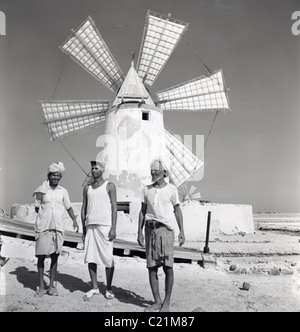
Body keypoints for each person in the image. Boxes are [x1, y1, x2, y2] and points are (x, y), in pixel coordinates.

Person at [137, 159, 185, 312]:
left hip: (166, 231)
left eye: (156, 170)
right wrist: (139, 232)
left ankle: (166, 302)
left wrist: (182, 231)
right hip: (150, 230)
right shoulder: (146, 189)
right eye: (151, 170)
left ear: (164, 172)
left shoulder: (171, 189)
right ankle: (157, 301)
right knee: (151, 267)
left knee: (167, 267)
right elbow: (142, 211)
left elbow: (177, 210)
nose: (153, 173)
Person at [33, 162, 79, 297]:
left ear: (60, 177)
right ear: (49, 175)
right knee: (41, 256)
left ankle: (51, 286)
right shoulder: (41, 190)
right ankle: (41, 286)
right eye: (54, 175)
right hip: (44, 226)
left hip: (58, 227)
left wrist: (74, 221)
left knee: (55, 256)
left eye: (58, 175)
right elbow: (37, 207)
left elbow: (68, 207)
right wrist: (46, 216)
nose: (56, 177)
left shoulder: (63, 191)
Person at [81, 161, 117, 300]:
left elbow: (114, 208)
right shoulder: (87, 188)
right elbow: (84, 208)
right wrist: (84, 229)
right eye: (92, 168)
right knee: (91, 257)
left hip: (105, 226)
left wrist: (113, 228)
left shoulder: (110, 186)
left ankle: (108, 288)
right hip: (90, 226)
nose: (94, 170)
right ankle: (94, 287)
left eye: (96, 168)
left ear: (102, 170)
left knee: (108, 258)